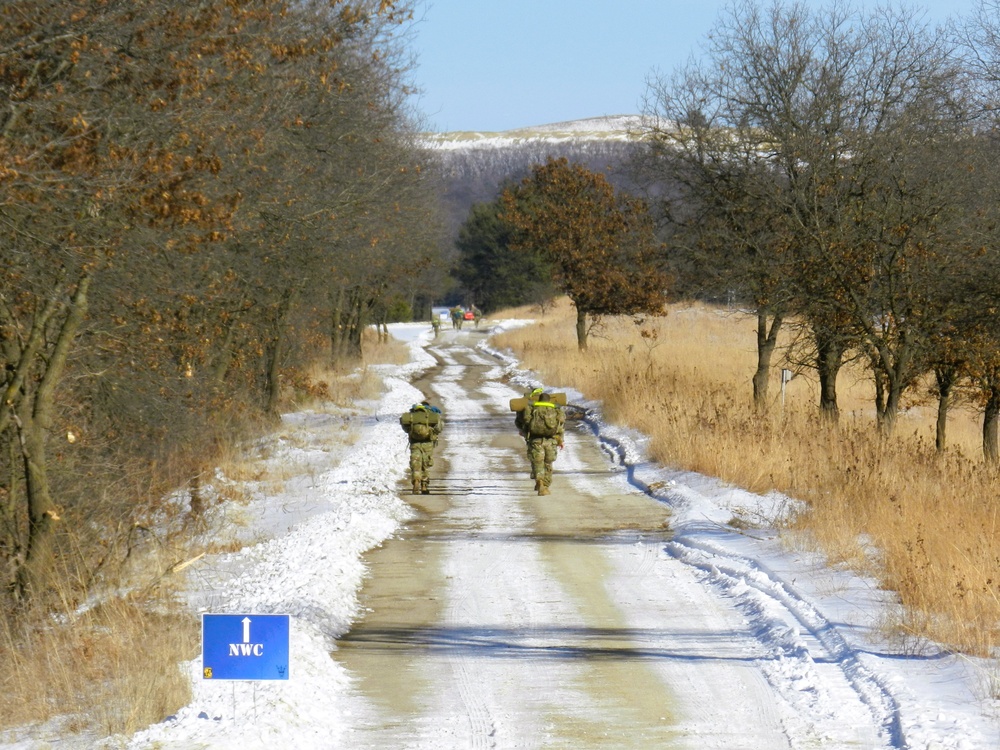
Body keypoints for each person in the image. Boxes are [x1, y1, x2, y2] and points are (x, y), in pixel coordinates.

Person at [520, 391, 564, 496]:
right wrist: (560, 440)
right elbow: (561, 424)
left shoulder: (532, 408)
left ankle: (540, 482)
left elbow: (525, 420)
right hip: (551, 441)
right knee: (548, 463)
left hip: (535, 440)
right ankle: (546, 485)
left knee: (537, 463)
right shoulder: (555, 409)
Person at [400, 400, 443, 494]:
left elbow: (405, 427)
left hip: (414, 442)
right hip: (428, 442)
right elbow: (439, 428)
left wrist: (411, 431)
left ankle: (416, 480)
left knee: (415, 462)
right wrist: (432, 432)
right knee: (425, 464)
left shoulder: (412, 415)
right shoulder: (431, 415)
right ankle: (424, 485)